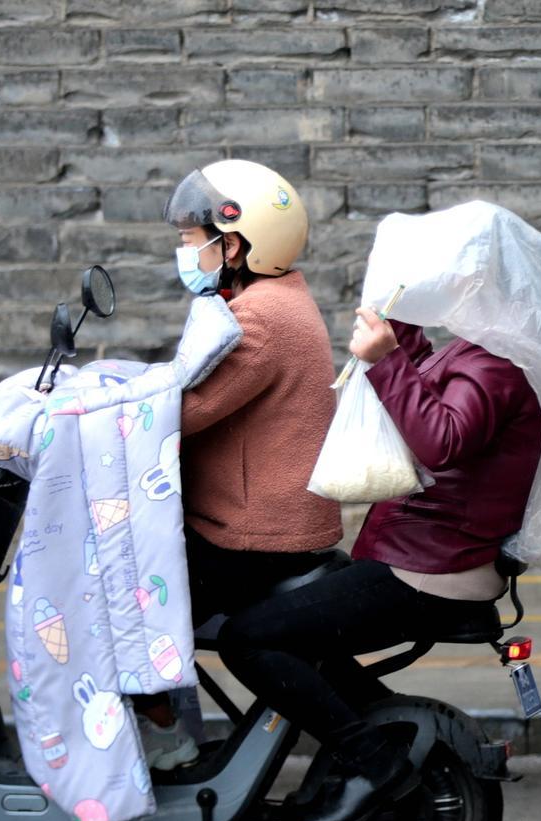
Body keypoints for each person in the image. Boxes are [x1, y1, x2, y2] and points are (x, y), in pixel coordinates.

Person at [216, 306, 541, 821]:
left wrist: (387, 359)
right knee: (282, 618)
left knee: (248, 640)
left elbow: (442, 440)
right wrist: (405, 338)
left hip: (432, 570)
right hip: (421, 555)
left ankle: (376, 764)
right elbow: (432, 397)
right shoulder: (479, 349)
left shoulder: (498, 363)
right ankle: (379, 732)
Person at [132, 159, 343, 770]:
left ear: (234, 243)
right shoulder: (272, 299)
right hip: (258, 524)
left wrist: (92, 410)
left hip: (257, 536)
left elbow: (186, 409)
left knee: (131, 602)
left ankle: (163, 742)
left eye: (189, 240)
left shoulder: (259, 319)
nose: (183, 251)